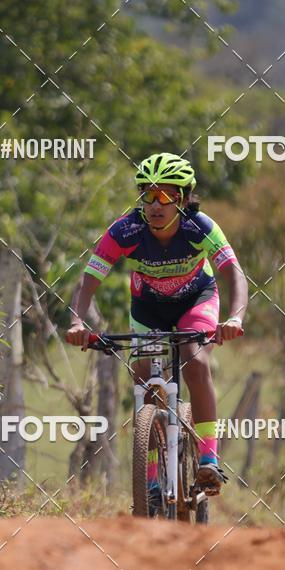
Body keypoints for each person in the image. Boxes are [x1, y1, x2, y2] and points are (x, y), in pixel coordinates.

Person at [66, 152, 248, 510]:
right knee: (146, 379)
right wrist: (76, 321)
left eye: (164, 195)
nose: (155, 205)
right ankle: (149, 477)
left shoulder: (201, 227)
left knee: (194, 362)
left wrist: (236, 317)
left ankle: (209, 460)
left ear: (182, 198)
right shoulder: (125, 230)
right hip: (148, 307)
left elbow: (233, 273)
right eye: (147, 195)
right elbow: (88, 280)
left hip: (196, 300)